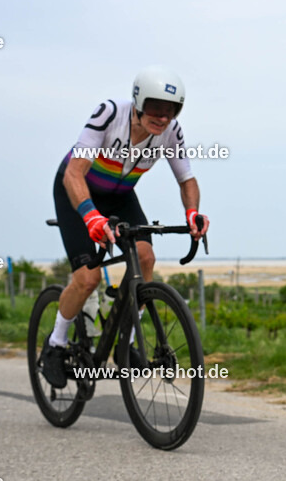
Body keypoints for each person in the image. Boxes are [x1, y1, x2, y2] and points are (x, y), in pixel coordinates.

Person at [40, 65, 210, 387]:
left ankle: (126, 342)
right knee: (88, 278)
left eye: (170, 111)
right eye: (155, 109)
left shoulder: (171, 132)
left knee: (145, 259)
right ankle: (55, 344)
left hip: (120, 196)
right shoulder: (109, 113)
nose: (162, 118)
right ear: (138, 102)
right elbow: (74, 173)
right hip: (76, 191)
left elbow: (187, 179)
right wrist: (90, 216)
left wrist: (192, 213)